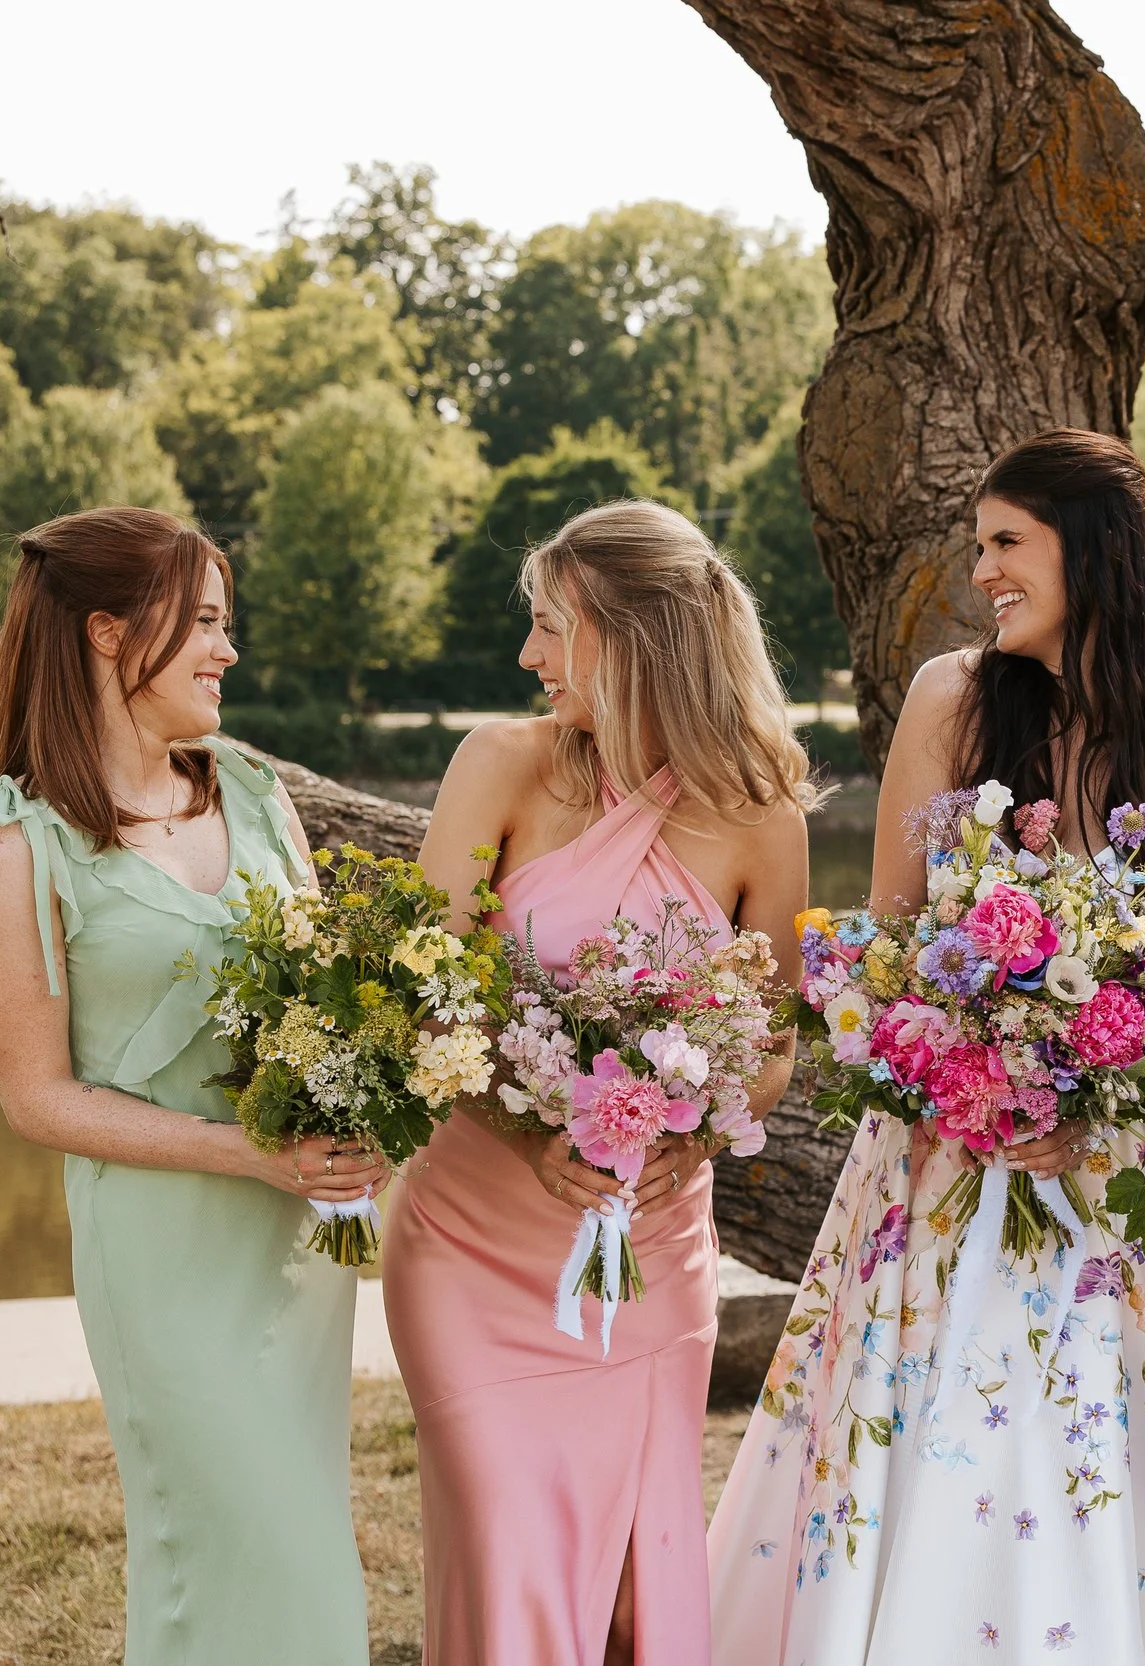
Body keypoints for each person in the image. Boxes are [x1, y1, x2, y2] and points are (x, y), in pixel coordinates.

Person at [706, 430, 1145, 1664]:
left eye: (1007, 543)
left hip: (1138, 1175)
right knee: (954, 1434)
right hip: (943, 1161)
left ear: (1090, 550)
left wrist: (1111, 1085)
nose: (984, 570)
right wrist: (957, 1070)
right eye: (979, 546)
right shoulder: (952, 696)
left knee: (1115, 1447)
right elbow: (886, 937)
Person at [0, 507, 378, 1665]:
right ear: (104, 633)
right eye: (207, 625)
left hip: (293, 1250)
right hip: (166, 1258)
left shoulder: (257, 797)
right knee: (230, 1554)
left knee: (308, 1564)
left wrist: (363, 1103)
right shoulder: (10, 844)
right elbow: (37, 1100)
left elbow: (331, 1003)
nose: (228, 652)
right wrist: (247, 1151)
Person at [382, 499, 811, 1666]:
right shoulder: (499, 765)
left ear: (634, 637)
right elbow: (430, 996)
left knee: (637, 1576)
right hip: (472, 1245)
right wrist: (531, 1138)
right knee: (506, 1550)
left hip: (654, 1255)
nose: (526, 657)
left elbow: (770, 1041)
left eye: (549, 627)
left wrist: (705, 1132)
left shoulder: (760, 814)